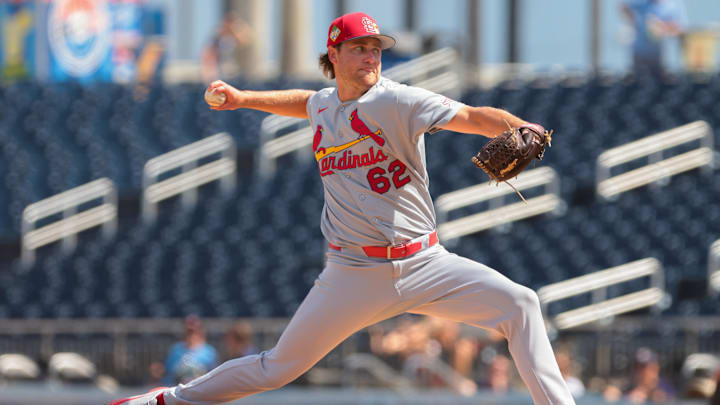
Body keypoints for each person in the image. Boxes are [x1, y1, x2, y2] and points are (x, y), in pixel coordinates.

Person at [110, 11, 575, 405]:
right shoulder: (325, 105)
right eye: (360, 48)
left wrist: (521, 124)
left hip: (425, 262)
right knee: (277, 368)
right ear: (334, 55)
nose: (372, 56)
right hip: (353, 272)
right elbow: (306, 102)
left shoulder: (398, 100)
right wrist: (243, 99)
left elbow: (472, 116)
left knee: (521, 304)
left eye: (376, 48)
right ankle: (166, 399)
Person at [620, 0, 687, 77]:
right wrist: (634, 21)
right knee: (638, 81)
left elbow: (681, 30)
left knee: (657, 81)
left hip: (659, 54)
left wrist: (663, 28)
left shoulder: (671, 6)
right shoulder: (641, 3)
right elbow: (623, 6)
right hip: (639, 52)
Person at [161, 316, 220, 386]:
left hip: (201, 391)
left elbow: (214, 376)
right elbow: (166, 373)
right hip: (176, 390)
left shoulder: (209, 352)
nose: (191, 333)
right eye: (188, 331)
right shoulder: (175, 350)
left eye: (194, 330)